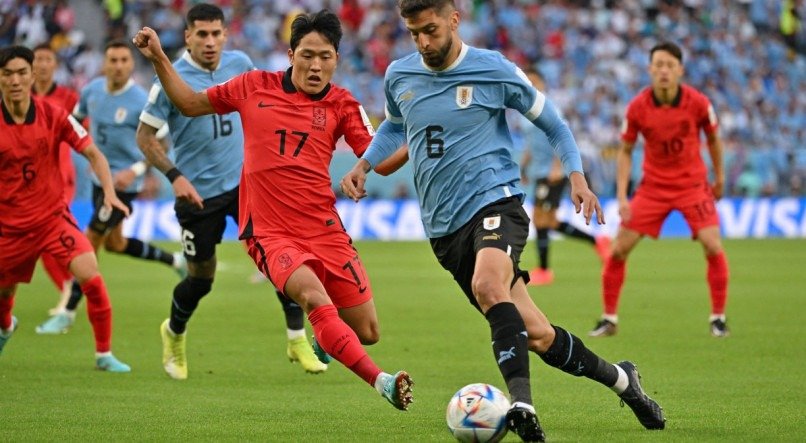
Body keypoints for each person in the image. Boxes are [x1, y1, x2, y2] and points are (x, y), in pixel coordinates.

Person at [340, 1, 663, 439]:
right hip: (444, 229)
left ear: (454, 19)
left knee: (488, 285)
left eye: (431, 30)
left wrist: (577, 177)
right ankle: (624, 381)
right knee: (537, 334)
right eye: (414, 33)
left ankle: (522, 406)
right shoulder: (400, 75)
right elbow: (396, 127)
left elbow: (555, 124)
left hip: (497, 204)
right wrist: (363, 164)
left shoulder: (494, 70)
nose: (423, 42)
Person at [133, 9, 414, 409]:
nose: (316, 66)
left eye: (326, 57)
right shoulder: (252, 86)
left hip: (325, 229)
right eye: (307, 55)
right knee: (314, 300)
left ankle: (327, 334)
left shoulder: (343, 103)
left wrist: (417, 140)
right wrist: (160, 57)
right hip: (270, 232)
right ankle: (381, 380)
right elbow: (190, 104)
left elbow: (380, 160)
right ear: (290, 54)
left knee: (367, 330)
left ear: (337, 58)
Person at [135, 3, 325, 379]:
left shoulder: (240, 63)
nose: (209, 42)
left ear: (225, 34)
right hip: (196, 194)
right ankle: (173, 332)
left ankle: (296, 338)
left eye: (216, 33)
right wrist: (176, 177)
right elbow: (145, 138)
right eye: (201, 34)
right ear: (187, 36)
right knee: (201, 280)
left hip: (246, 186)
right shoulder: (169, 79)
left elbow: (271, 102)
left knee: (282, 260)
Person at [34, 41, 187, 335]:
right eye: (112, 60)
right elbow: (75, 124)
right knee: (114, 243)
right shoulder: (91, 91)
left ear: (131, 65)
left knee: (89, 241)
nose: (118, 65)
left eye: (123, 60)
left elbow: (161, 141)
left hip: (123, 185)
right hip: (97, 181)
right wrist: (86, 153)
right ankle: (175, 260)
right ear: (104, 64)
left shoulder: (141, 99)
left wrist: (136, 170)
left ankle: (67, 311)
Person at [0, 45, 130, 372]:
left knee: (91, 274)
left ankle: (104, 355)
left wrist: (110, 192)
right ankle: (6, 326)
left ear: (32, 75)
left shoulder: (54, 115)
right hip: (9, 227)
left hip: (52, 219)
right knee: (4, 294)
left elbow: (94, 154)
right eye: (7, 74)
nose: (15, 80)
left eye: (21, 72)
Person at [589, 42, 730, 339]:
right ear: (650, 69)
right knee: (618, 249)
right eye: (659, 65)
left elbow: (715, 140)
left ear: (680, 70)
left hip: (692, 184)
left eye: (670, 65)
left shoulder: (699, 103)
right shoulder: (638, 107)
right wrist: (623, 195)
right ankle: (609, 318)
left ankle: (718, 318)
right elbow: (625, 151)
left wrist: (719, 177)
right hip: (653, 187)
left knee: (713, 244)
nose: (664, 70)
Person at [517, 67, 610, 286]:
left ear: (542, 84)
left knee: (540, 218)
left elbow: (560, 136)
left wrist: (557, 167)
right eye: (527, 81)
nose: (530, 85)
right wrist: (523, 167)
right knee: (548, 220)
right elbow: (532, 144)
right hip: (538, 171)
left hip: (552, 171)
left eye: (534, 81)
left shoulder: (549, 108)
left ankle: (544, 270)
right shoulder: (524, 112)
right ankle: (596, 241)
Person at [31, 43, 80, 313]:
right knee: (45, 241)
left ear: (55, 65)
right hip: (27, 181)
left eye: (47, 59)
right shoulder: (18, 97)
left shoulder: (68, 98)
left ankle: (68, 291)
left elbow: (83, 132)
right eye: (38, 59)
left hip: (60, 177)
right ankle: (70, 288)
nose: (42, 64)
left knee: (47, 238)